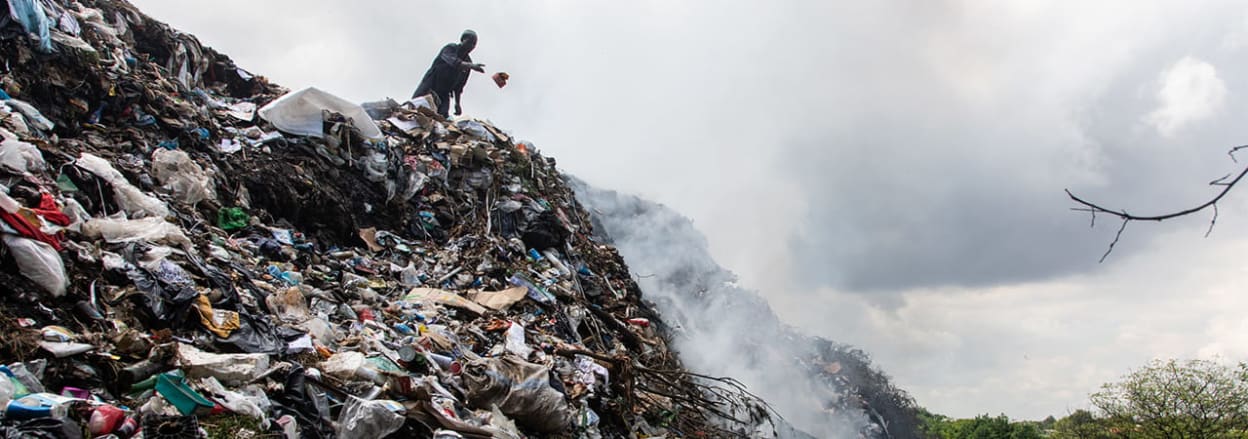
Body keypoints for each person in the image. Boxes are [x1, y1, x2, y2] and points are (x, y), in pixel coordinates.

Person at [412, 30, 485, 117]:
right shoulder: (450, 48)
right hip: (431, 85)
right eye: (470, 42)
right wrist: (472, 66)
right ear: (463, 40)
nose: (471, 46)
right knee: (416, 109)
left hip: (444, 93)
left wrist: (457, 103)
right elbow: (454, 62)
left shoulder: (468, 62)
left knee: (441, 118)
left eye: (474, 44)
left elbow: (459, 86)